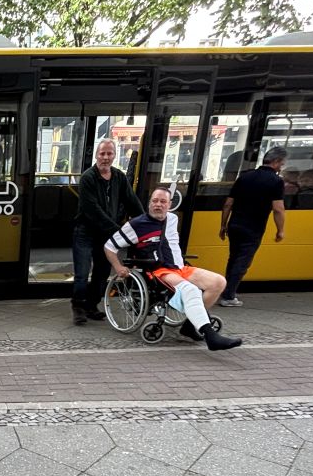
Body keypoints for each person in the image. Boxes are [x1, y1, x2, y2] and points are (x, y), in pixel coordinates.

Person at [105, 187, 241, 351]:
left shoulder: (172, 219)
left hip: (180, 268)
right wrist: (118, 267)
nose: (158, 205)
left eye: (163, 201)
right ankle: (210, 336)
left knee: (218, 282)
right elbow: (109, 246)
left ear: (170, 205)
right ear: (149, 204)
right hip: (158, 271)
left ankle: (190, 326)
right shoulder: (136, 224)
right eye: (155, 201)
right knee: (190, 290)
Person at [72, 137, 143, 326]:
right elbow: (92, 210)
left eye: (109, 153)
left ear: (114, 156)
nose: (105, 157)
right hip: (85, 232)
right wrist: (118, 231)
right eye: (102, 153)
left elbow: (132, 201)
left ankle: (91, 305)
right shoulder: (88, 178)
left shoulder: (119, 177)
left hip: (106, 235)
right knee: (82, 273)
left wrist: (145, 223)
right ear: (97, 155)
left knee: (102, 273)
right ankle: (78, 306)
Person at [218, 145, 287, 308]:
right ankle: (228, 296)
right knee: (242, 262)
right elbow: (278, 209)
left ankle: (228, 289)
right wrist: (280, 230)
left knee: (233, 258)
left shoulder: (245, 177)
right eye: (282, 164)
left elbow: (228, 204)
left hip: (235, 225)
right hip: (253, 228)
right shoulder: (276, 181)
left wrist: (223, 225)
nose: (281, 167)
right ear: (276, 162)